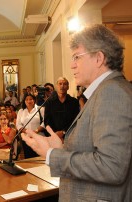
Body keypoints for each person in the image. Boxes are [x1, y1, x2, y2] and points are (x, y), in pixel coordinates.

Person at [21, 24, 132, 201]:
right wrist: (62, 148)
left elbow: (112, 167)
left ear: (99, 58)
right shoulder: (104, 91)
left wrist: (52, 155)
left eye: (77, 57)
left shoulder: (113, 93)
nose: (72, 65)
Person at [44, 77, 80, 142]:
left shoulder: (74, 102)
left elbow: (75, 120)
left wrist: (63, 132)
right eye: (60, 84)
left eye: (65, 84)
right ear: (56, 86)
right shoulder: (49, 102)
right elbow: (47, 120)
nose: (62, 86)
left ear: (68, 87)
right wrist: (55, 134)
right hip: (53, 136)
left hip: (70, 136)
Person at [16, 94, 44, 158]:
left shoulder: (41, 109)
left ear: (34, 100)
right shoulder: (21, 111)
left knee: (39, 158)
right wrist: (26, 131)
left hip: (39, 138)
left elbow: (44, 123)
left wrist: (35, 131)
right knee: (28, 158)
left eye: (31, 99)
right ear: (24, 101)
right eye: (27, 99)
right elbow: (18, 124)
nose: (29, 101)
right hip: (26, 138)